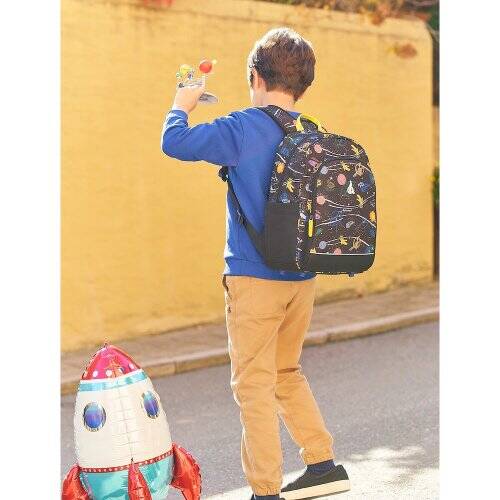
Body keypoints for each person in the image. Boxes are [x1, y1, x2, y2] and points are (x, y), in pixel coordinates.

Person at [161, 27, 350, 500]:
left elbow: (174, 142)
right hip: (302, 277)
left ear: (255, 77)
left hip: (254, 278)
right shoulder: (311, 131)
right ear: (303, 85)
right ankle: (322, 464)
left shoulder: (241, 127)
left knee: (253, 386)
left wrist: (183, 102)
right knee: (286, 372)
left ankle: (265, 491)